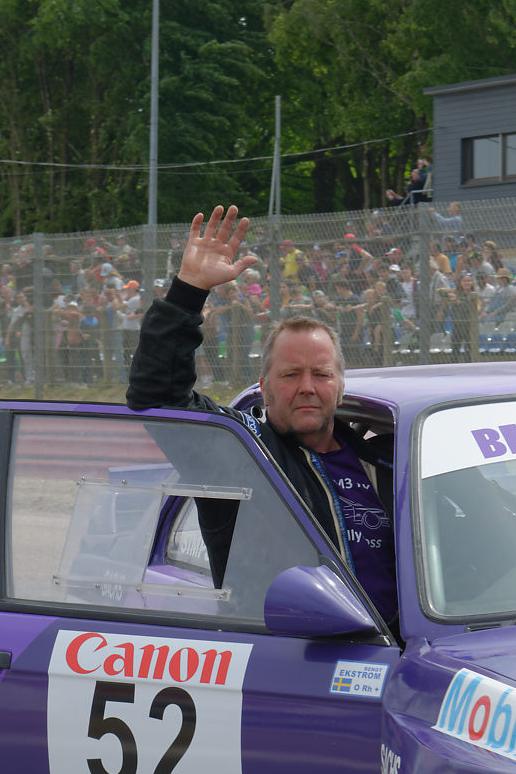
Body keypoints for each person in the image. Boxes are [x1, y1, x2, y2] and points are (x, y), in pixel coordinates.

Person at [127, 205, 396, 625]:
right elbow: (156, 396)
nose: (307, 386)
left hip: (399, 656)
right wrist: (188, 290)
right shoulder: (241, 453)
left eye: (320, 374)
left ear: (340, 384)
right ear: (265, 386)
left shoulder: (388, 460)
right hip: (289, 662)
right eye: (290, 374)